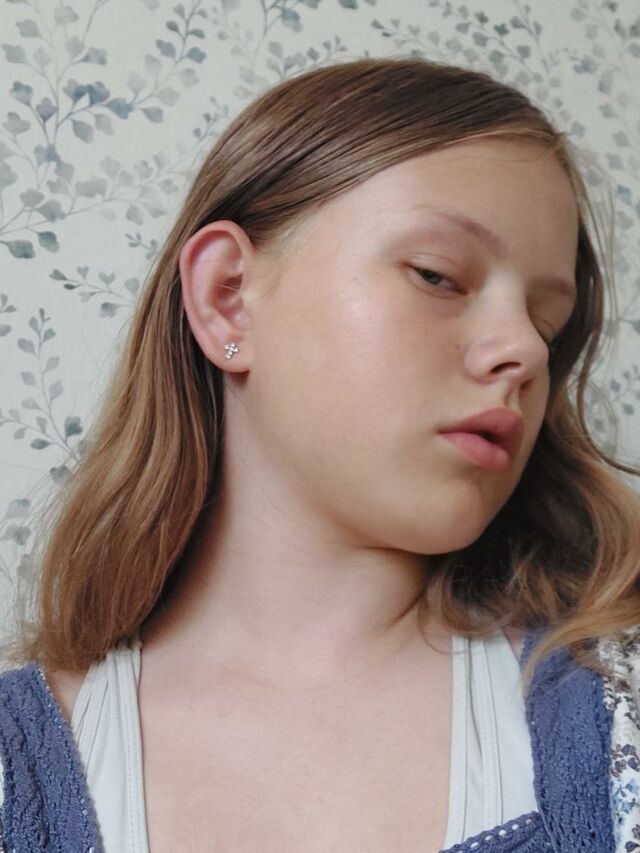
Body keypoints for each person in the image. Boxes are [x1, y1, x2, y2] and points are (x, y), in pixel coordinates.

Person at [0, 55, 639, 853]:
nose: (525, 350)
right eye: (438, 275)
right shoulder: (16, 770)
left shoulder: (619, 710)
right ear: (228, 296)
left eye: (548, 323)